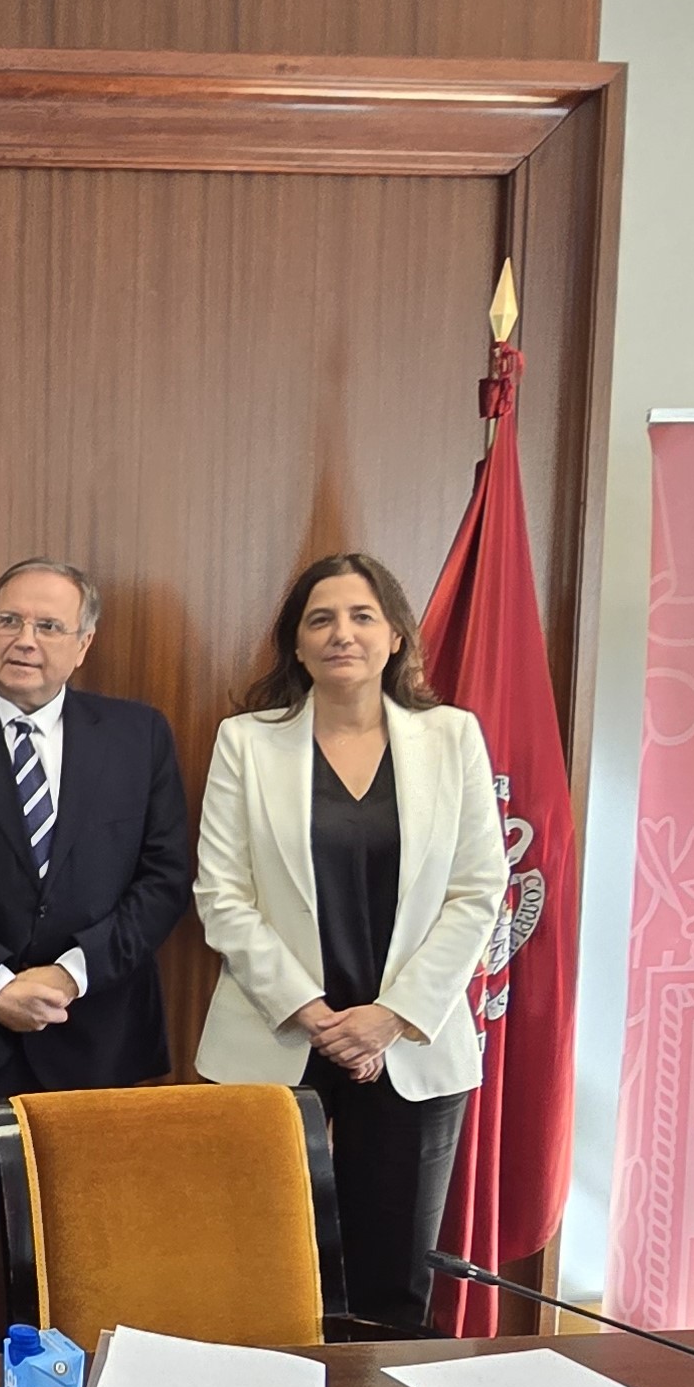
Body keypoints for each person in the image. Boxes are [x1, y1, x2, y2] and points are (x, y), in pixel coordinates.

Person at [193, 551, 506, 1334]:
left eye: (363, 616)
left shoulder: (452, 737)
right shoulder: (247, 742)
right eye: (320, 619)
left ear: (395, 635)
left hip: (412, 1045)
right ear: (295, 645)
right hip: (276, 1038)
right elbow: (220, 896)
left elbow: (478, 890)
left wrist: (390, 1015)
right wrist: (314, 1013)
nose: (343, 634)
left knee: (392, 1287)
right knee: (263, 1271)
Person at [0, 559, 193, 1354]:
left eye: (48, 626)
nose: (24, 640)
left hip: (97, 1038)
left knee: (88, 1266)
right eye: (9, 622)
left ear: (84, 642)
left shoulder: (139, 733)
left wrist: (69, 974)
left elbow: (165, 877)